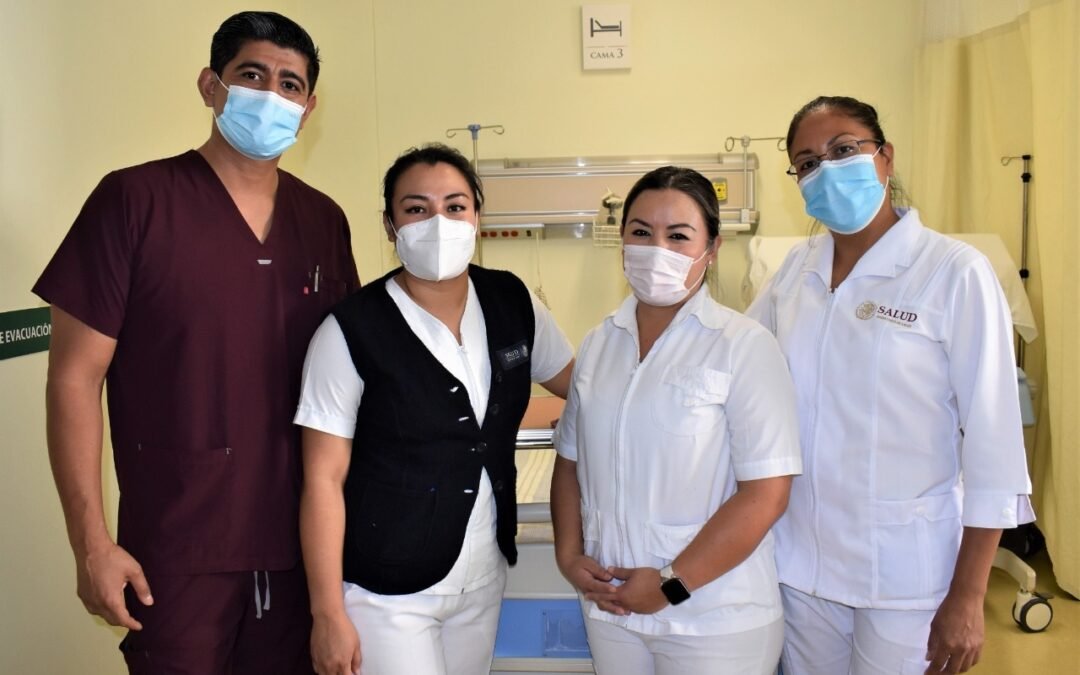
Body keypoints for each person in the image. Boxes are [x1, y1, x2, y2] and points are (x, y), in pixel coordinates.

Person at [33, 11, 359, 674]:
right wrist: (91, 544)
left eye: (290, 84)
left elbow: (351, 381)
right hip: (177, 552)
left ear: (308, 109)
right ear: (212, 86)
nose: (272, 95)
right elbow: (73, 379)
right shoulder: (134, 202)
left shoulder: (323, 221)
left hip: (303, 553)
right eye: (252, 75)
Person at [746, 95, 1035, 675]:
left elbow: (994, 445)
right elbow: (736, 367)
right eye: (807, 163)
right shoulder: (794, 273)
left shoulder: (954, 272)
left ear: (885, 157)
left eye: (843, 149)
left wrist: (969, 596)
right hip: (801, 565)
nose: (826, 170)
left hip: (905, 574)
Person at [295, 143, 575, 675]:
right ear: (390, 225)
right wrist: (326, 612)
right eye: (416, 209)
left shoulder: (512, 301)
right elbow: (323, 479)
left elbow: (580, 386)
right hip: (387, 592)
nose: (438, 223)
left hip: (482, 574)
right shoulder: (350, 330)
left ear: (477, 217)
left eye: (455, 206)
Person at [550, 166, 803, 674]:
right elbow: (570, 462)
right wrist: (570, 556)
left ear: (712, 249)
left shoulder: (743, 346)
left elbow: (766, 493)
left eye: (679, 236)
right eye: (641, 232)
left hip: (714, 617)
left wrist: (671, 583)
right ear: (622, 243)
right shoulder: (599, 344)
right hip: (613, 606)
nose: (657, 249)